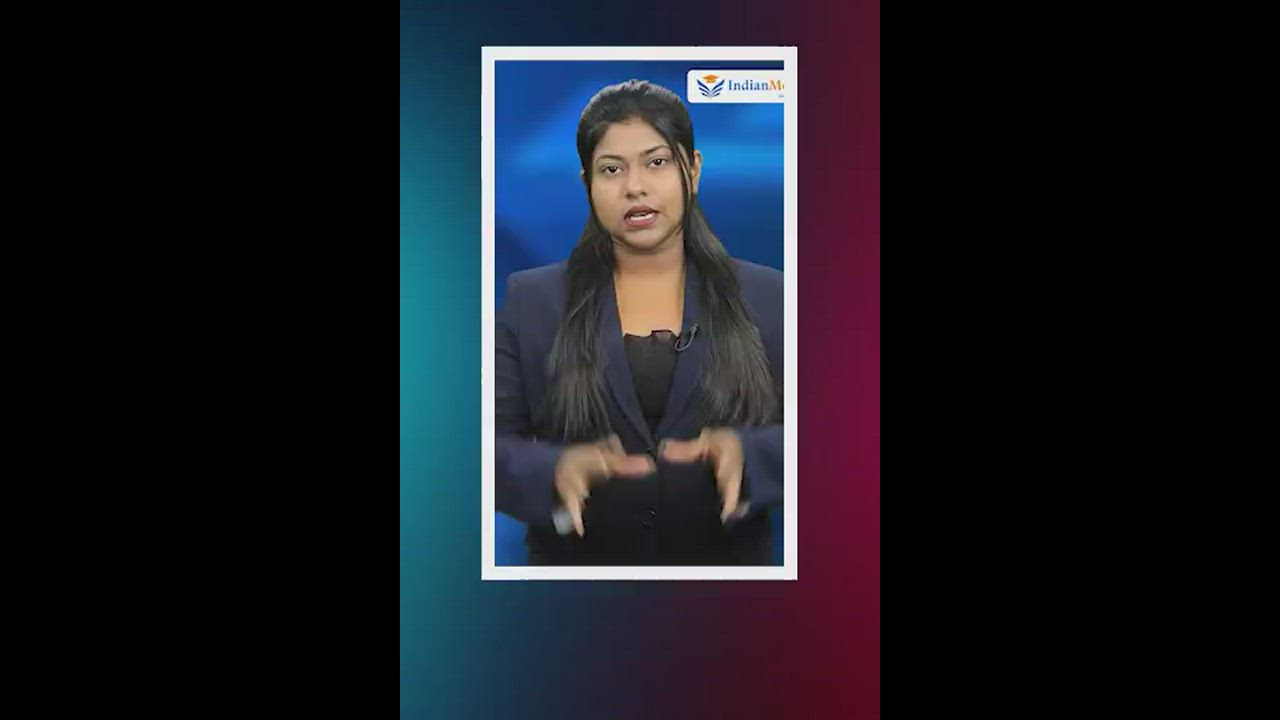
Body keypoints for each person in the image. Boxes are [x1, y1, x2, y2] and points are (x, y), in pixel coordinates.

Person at [496, 79, 783, 565]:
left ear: (693, 169)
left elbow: (840, 435)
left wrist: (753, 455)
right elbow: (482, 444)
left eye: (657, 162)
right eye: (611, 169)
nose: (635, 187)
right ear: (587, 183)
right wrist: (551, 471)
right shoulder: (532, 299)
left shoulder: (770, 295)